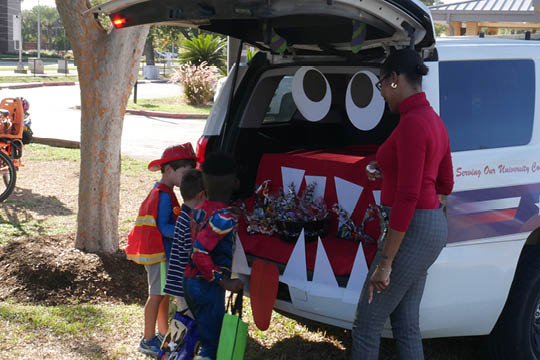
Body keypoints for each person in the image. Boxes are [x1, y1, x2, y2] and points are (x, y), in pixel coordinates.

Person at [352, 48, 454, 360]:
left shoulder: (412, 123)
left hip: (412, 227)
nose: (381, 93)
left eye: (380, 84)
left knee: (367, 322)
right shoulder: (431, 119)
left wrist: (386, 263)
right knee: (406, 321)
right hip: (428, 226)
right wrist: (388, 169)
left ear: (394, 79)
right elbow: (445, 182)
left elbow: (409, 196)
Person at [125, 143, 197, 358]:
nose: (187, 177)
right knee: (156, 296)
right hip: (159, 255)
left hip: (162, 254)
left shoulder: (166, 192)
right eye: (185, 171)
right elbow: (163, 226)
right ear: (168, 170)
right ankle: (147, 340)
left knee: (164, 295)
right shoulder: (164, 195)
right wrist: (186, 231)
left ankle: (162, 334)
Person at [183, 152, 244, 360]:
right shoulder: (223, 218)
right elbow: (199, 252)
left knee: (203, 333)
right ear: (235, 183)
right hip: (206, 286)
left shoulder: (199, 210)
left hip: (191, 281)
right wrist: (223, 281)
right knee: (212, 343)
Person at [163, 169, 206, 317]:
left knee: (186, 320)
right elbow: (191, 253)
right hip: (184, 285)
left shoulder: (183, 215)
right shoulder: (190, 221)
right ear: (201, 196)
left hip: (179, 282)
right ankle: (183, 341)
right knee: (189, 322)